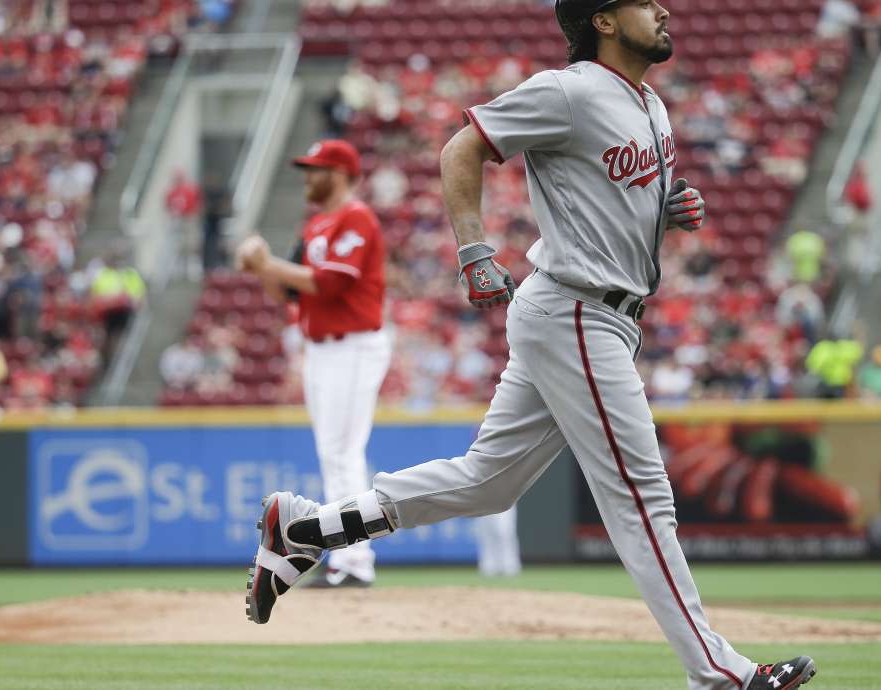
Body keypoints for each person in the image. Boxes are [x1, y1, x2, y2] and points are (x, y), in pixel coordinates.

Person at [241, 3, 817, 689]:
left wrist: (667, 205)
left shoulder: (652, 103)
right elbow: (463, 146)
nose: (662, 9)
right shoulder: (568, 89)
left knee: (488, 482)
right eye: (642, 1)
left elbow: (611, 195)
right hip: (575, 309)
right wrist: (474, 247)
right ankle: (720, 674)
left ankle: (310, 529)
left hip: (595, 315)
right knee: (641, 498)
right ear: (602, 20)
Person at [236, 139, 391, 589]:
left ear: (340, 173)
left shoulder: (355, 217)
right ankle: (347, 559)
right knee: (333, 453)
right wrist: (260, 268)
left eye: (316, 169)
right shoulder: (317, 225)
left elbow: (331, 283)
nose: (307, 177)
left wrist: (269, 261)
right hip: (322, 348)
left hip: (355, 345)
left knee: (344, 452)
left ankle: (355, 562)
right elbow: (287, 293)